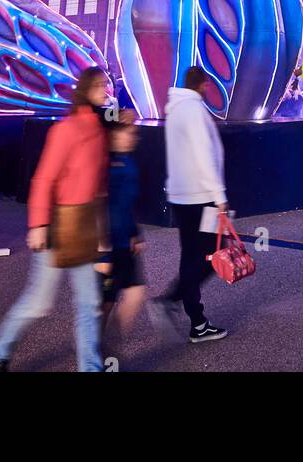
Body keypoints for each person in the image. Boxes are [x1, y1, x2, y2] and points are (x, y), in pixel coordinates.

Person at [0, 66, 109, 373]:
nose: (107, 91)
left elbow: (99, 186)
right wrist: (38, 224)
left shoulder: (98, 129)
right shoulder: (67, 130)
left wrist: (102, 232)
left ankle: (90, 368)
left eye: (107, 86)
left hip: (84, 226)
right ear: (86, 89)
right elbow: (44, 179)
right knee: (39, 302)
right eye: (101, 86)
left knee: (89, 303)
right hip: (58, 225)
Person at [152, 66, 227, 343]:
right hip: (201, 196)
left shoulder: (176, 110)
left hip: (182, 196)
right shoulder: (194, 110)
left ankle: (196, 320)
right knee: (216, 253)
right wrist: (219, 195)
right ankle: (173, 301)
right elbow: (204, 155)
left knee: (192, 255)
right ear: (203, 84)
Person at [97, 109, 146, 361]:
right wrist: (103, 248)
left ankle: (104, 346)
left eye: (134, 133)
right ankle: (96, 349)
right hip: (109, 245)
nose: (133, 137)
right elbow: (101, 205)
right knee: (106, 302)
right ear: (113, 135)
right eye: (127, 132)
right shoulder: (106, 164)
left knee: (135, 293)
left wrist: (135, 233)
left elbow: (129, 202)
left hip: (125, 241)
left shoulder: (128, 161)